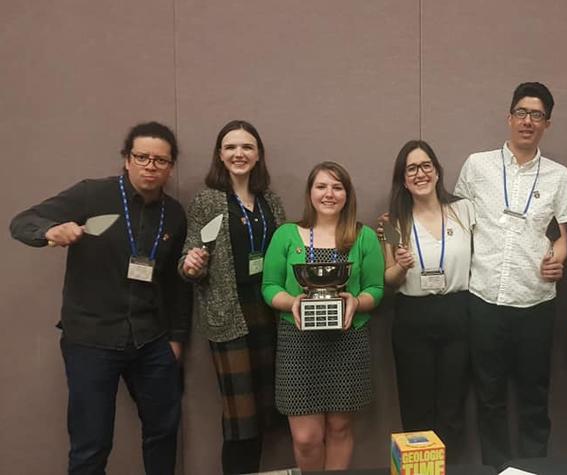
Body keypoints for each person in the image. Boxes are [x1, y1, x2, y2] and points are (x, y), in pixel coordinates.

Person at [9, 121, 192, 475]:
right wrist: (48, 230)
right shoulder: (92, 195)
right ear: (126, 159)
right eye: (142, 157)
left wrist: (177, 338)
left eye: (160, 160)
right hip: (91, 340)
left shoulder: (174, 214)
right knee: (91, 443)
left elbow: (177, 285)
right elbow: (22, 221)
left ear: (170, 166)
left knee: (164, 430)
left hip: (151, 338)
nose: (150, 166)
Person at [454, 82, 567, 469]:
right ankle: (496, 468)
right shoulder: (477, 166)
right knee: (489, 397)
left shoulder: (559, 176)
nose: (528, 121)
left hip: (535, 302)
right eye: (522, 113)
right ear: (509, 118)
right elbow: (456, 224)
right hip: (484, 299)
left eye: (537, 115)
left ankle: (531, 469)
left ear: (547, 123)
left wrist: (557, 260)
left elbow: (562, 236)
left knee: (533, 397)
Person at [261, 161, 384, 470]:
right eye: (321, 186)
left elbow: (376, 288)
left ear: (347, 194)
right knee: (306, 438)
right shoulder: (287, 235)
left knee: (340, 428)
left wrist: (356, 302)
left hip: (348, 342)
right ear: (310, 193)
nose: (329, 194)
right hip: (298, 345)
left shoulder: (363, 236)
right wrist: (293, 303)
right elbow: (269, 286)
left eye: (337, 187)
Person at [179, 120, 286, 474]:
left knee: (269, 409)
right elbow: (188, 259)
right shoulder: (207, 200)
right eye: (231, 147)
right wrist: (191, 264)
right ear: (220, 155)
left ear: (258, 155)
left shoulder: (270, 200)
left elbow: (286, 251)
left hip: (271, 312)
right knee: (241, 417)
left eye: (246, 147)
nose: (239, 154)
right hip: (229, 316)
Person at [383, 140, 474, 462]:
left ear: (437, 171)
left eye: (425, 166)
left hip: (458, 312)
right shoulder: (393, 222)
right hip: (413, 317)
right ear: (403, 178)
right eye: (411, 168)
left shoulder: (464, 210)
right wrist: (401, 266)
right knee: (416, 407)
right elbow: (389, 281)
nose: (420, 173)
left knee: (453, 407)